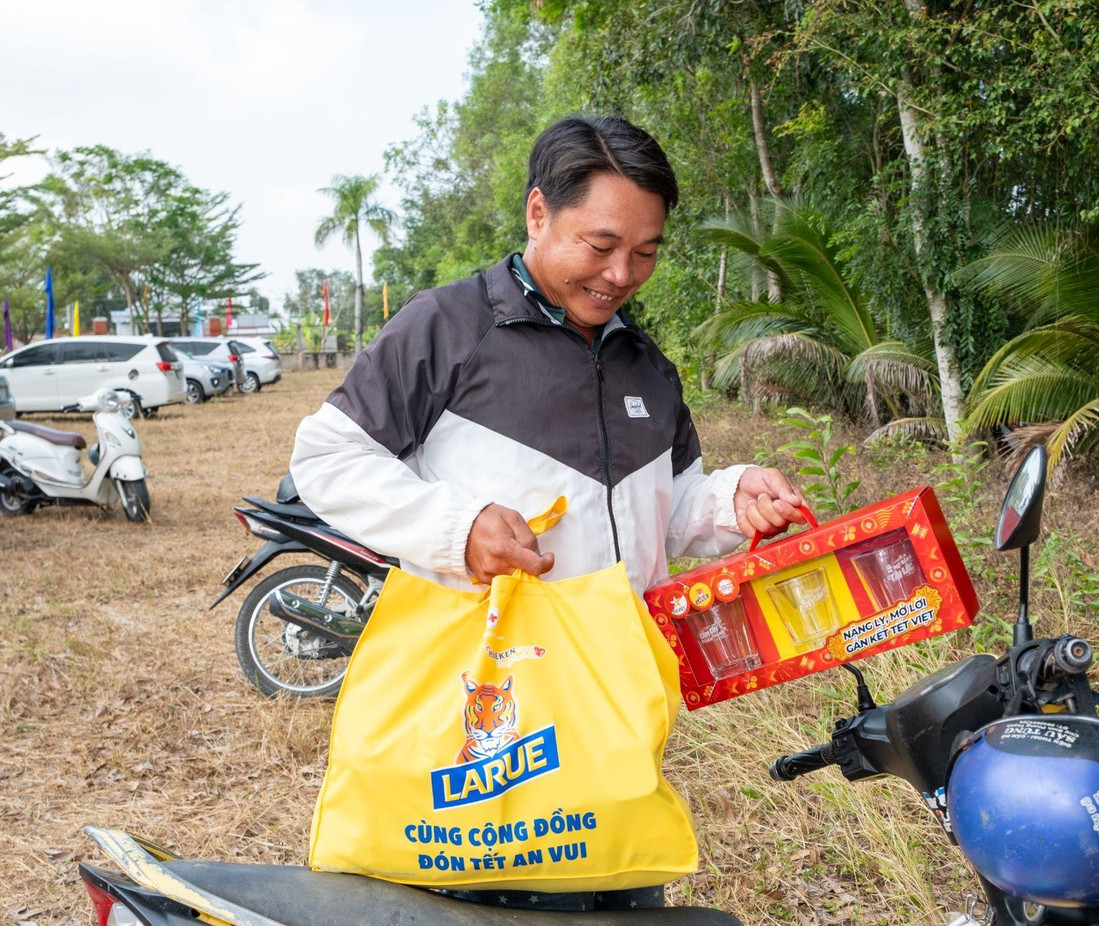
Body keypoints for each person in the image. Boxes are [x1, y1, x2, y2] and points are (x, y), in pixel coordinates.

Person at [290, 114, 808, 910]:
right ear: (538, 214)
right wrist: (456, 530)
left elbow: (667, 518)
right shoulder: (448, 327)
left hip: (610, 721)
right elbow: (326, 459)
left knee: (612, 891)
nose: (620, 274)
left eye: (645, 253)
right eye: (599, 247)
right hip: (482, 725)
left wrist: (730, 497)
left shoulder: (646, 363)